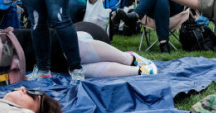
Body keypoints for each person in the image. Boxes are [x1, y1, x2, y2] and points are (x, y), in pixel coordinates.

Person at [13, 24, 157, 78]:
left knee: (73, 50)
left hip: (85, 32)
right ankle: (138, 71)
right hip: (54, 60)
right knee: (78, 70)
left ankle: (129, 58)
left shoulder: (3, 38)